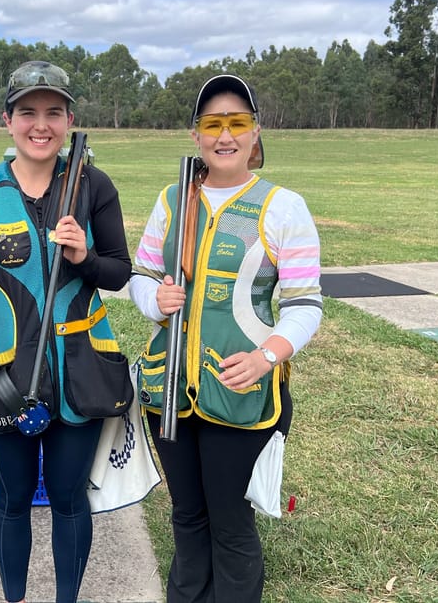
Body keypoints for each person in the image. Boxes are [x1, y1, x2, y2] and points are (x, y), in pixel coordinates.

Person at [129, 74, 323, 603]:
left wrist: (266, 358)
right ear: (196, 135)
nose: (225, 135)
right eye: (213, 124)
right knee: (187, 515)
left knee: (230, 520)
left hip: (239, 390)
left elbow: (306, 306)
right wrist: (155, 299)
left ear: (255, 132)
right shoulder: (172, 201)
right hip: (168, 389)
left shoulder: (283, 207)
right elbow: (141, 277)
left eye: (237, 123)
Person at [0, 61, 133, 603]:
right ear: (8, 120)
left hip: (79, 379)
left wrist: (84, 257)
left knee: (70, 498)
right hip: (4, 379)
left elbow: (119, 273)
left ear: (70, 119)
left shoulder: (93, 186)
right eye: (28, 111)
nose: (41, 124)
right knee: (12, 499)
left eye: (54, 112)